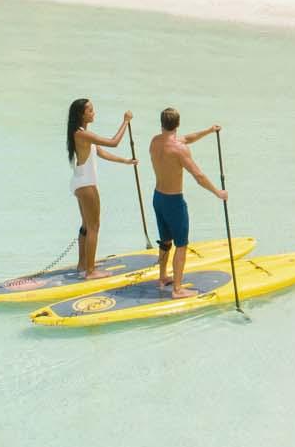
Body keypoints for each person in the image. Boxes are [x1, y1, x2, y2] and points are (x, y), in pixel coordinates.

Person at [148, 107, 227, 298]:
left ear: (162, 123)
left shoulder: (155, 142)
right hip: (173, 202)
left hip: (158, 197)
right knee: (181, 244)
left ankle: (162, 277)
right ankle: (177, 289)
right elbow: (198, 176)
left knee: (165, 241)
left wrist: (208, 131)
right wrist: (218, 192)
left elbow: (186, 139)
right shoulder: (179, 150)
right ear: (178, 124)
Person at [66, 98, 135, 277]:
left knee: (86, 226)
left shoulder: (82, 133)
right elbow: (114, 142)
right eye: (90, 110)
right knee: (94, 226)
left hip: (79, 182)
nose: (93, 113)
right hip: (86, 184)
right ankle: (90, 271)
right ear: (81, 115)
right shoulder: (82, 134)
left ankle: (82, 265)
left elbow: (102, 152)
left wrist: (126, 161)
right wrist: (125, 122)